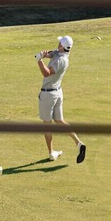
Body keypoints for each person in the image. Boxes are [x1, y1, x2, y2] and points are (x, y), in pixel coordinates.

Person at [35, 35, 85, 163]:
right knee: (59, 120)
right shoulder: (60, 53)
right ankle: (79, 143)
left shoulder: (61, 60)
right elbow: (52, 53)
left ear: (62, 46)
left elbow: (46, 72)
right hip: (57, 93)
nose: (57, 44)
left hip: (48, 95)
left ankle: (51, 153)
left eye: (59, 43)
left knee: (47, 125)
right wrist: (44, 54)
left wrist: (39, 61)